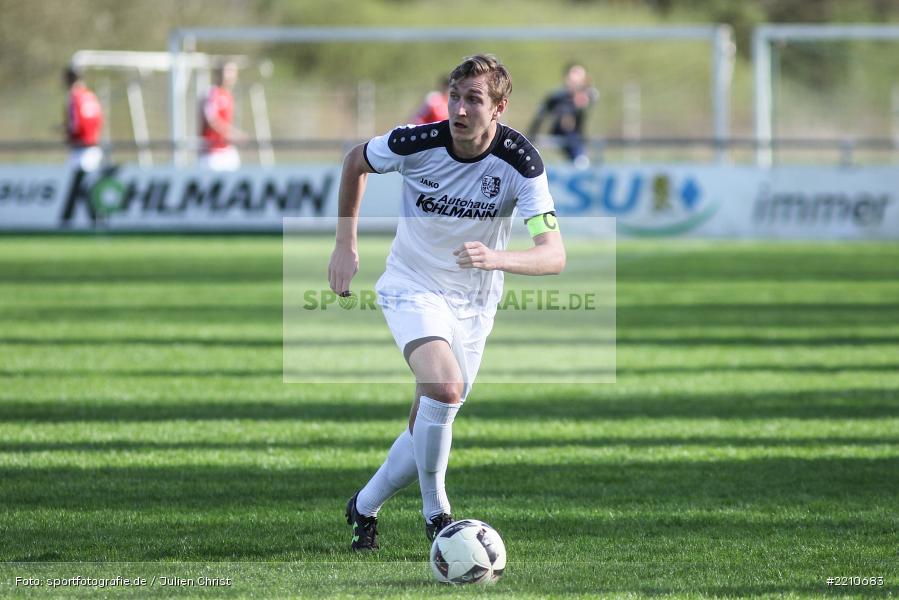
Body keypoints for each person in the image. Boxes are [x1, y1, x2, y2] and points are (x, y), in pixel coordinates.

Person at [329, 54, 566, 551]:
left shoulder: (521, 162)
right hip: (410, 283)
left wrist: (496, 257)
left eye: (473, 100)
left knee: (432, 417)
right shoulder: (418, 140)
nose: (458, 110)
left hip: (475, 306)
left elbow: (553, 256)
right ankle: (438, 513)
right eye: (455, 97)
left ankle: (364, 506)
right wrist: (345, 244)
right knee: (444, 385)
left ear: (499, 107)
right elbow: (356, 160)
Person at [528, 63, 599, 169]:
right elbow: (540, 116)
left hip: (576, 138)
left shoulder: (586, 94)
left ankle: (579, 159)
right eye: (575, 74)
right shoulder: (558, 97)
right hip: (558, 134)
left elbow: (592, 98)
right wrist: (530, 139)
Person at [199, 61, 245, 171]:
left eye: (233, 72)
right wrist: (234, 134)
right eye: (228, 72)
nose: (231, 75)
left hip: (226, 150)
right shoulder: (212, 93)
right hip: (212, 153)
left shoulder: (228, 95)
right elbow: (212, 120)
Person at [64, 65, 104, 172]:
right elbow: (99, 120)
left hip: (80, 151)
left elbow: (75, 125)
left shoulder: (74, 97)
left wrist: (67, 131)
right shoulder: (90, 95)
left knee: (77, 186)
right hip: (94, 148)